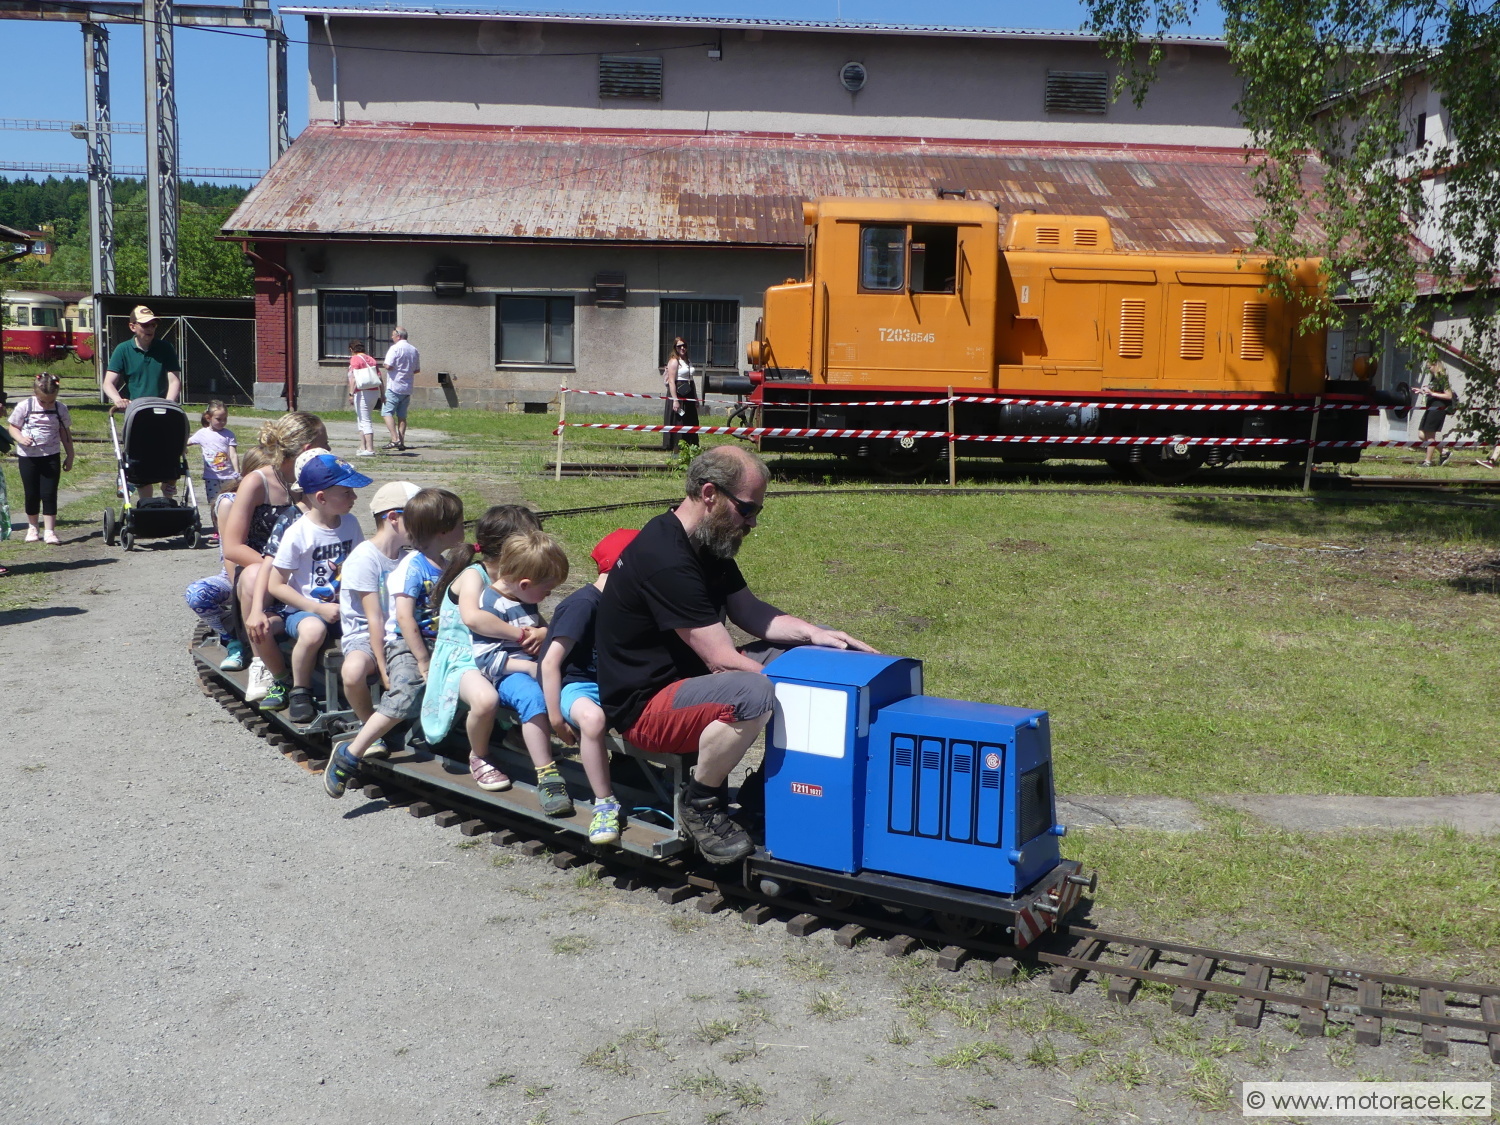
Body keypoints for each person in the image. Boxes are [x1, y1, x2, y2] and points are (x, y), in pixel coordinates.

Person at [596, 445, 876, 863]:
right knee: (755, 691)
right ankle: (700, 803)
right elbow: (722, 659)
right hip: (645, 709)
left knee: (801, 661)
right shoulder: (665, 558)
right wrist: (803, 688)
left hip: (686, 682)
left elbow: (749, 611)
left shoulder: (705, 542)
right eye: (747, 509)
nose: (753, 522)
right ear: (710, 494)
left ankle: (764, 791)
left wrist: (817, 637)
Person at [324, 488, 467, 798]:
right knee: (405, 693)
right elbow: (402, 619)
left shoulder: (444, 564)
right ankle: (352, 752)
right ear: (443, 531)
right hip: (406, 644)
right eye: (460, 524)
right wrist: (422, 660)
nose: (465, 528)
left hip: (438, 642)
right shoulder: (412, 566)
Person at [453, 524, 571, 813]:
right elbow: (486, 660)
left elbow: (539, 627)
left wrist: (543, 632)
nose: (548, 596)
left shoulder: (523, 597)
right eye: (547, 591)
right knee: (532, 697)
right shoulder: (491, 603)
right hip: (507, 674)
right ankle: (547, 775)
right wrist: (526, 667)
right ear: (525, 584)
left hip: (530, 666)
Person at [220, 412, 327, 705]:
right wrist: (277, 570)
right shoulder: (258, 481)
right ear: (308, 449)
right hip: (261, 568)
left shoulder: (316, 480)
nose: (330, 450)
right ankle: (262, 662)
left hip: (305, 568)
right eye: (326, 444)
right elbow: (232, 546)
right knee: (255, 575)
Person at [540, 528, 638, 846]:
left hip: (609, 685)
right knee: (593, 720)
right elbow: (550, 663)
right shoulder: (584, 604)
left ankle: (639, 772)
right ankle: (605, 803)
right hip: (577, 686)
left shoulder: (622, 603)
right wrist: (555, 717)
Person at [266, 452, 370, 723]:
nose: (354, 498)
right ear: (321, 498)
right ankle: (300, 690)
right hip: (305, 610)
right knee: (314, 631)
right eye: (346, 492)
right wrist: (316, 608)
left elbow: (359, 564)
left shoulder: (350, 523)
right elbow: (275, 584)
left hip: (344, 607)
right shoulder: (298, 533)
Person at [338, 480, 420, 729]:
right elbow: (374, 618)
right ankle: (369, 724)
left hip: (398, 631)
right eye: (419, 518)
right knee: (353, 672)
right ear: (393, 517)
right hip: (366, 634)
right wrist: (383, 668)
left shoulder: (409, 556)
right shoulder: (365, 557)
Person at [183, 447, 270, 671]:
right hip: (241, 575)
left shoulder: (282, 499)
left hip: (273, 575)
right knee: (198, 593)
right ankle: (232, 637)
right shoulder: (231, 502)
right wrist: (238, 590)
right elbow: (230, 554)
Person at [103, 305, 181, 500]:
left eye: (153, 325)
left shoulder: (165, 348)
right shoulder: (123, 350)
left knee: (169, 455)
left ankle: (168, 502)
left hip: (163, 412)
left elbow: (174, 381)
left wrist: (168, 404)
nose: (150, 329)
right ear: (133, 327)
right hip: (137, 414)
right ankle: (146, 504)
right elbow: (108, 383)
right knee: (140, 460)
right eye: (145, 325)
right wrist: (118, 400)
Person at [7, 372, 74, 545]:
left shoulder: (60, 409)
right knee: (31, 493)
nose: (47, 405)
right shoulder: (25, 406)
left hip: (51, 456)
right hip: (28, 457)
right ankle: (33, 527)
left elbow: (65, 433)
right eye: (43, 401)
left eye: (51, 401)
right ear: (35, 393)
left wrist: (70, 455)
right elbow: (12, 427)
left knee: (49, 493)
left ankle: (50, 531)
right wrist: (21, 438)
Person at [187, 400, 240, 541]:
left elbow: (233, 454)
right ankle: (217, 530)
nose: (222, 422)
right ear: (208, 418)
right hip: (211, 476)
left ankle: (230, 530)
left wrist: (237, 472)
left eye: (225, 419)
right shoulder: (202, 433)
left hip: (228, 476)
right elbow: (188, 442)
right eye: (218, 419)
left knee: (230, 503)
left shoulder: (229, 434)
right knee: (214, 503)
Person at [379, 327, 420, 452]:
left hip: (394, 386)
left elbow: (388, 365)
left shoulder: (395, 348)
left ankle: (395, 438)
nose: (392, 337)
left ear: (398, 336)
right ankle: (401, 442)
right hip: (407, 387)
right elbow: (417, 370)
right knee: (402, 416)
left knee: (386, 412)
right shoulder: (414, 350)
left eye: (393, 335)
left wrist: (386, 365)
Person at [661, 336, 700, 453]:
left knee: (690, 419)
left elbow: (691, 380)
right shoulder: (674, 361)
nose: (682, 348)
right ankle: (676, 447)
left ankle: (690, 445)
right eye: (679, 346)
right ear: (675, 348)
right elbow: (671, 381)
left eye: (684, 345)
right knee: (679, 420)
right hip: (678, 393)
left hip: (689, 392)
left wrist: (696, 398)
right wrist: (675, 400)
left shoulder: (687, 360)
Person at [1416, 363, 1456, 466]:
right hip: (1430, 408)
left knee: (1430, 435)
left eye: (1429, 367)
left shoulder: (1442, 378)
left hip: (1438, 409)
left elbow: (1449, 395)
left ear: (1436, 366)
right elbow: (1433, 392)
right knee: (1421, 434)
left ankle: (1428, 461)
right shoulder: (1433, 379)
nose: (1428, 370)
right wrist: (1422, 391)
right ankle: (1444, 452)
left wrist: (1432, 393)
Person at [346, 340, 382, 457]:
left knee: (365, 420)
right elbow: (380, 377)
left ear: (351, 349)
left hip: (362, 392)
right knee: (362, 418)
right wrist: (383, 394)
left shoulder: (355, 359)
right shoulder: (371, 359)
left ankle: (370, 449)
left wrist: (351, 393)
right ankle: (363, 446)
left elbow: (354, 378)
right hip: (374, 392)